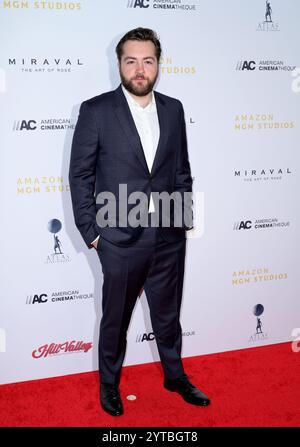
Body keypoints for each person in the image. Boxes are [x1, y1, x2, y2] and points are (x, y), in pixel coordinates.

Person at [69, 27, 210, 416]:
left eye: (148, 60)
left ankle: (175, 375)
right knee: (115, 319)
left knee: (168, 316)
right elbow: (80, 176)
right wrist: (93, 234)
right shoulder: (96, 110)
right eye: (131, 60)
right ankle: (110, 384)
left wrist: (181, 222)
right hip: (117, 238)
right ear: (119, 64)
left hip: (167, 236)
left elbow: (182, 169)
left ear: (158, 64)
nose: (140, 69)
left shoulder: (174, 108)